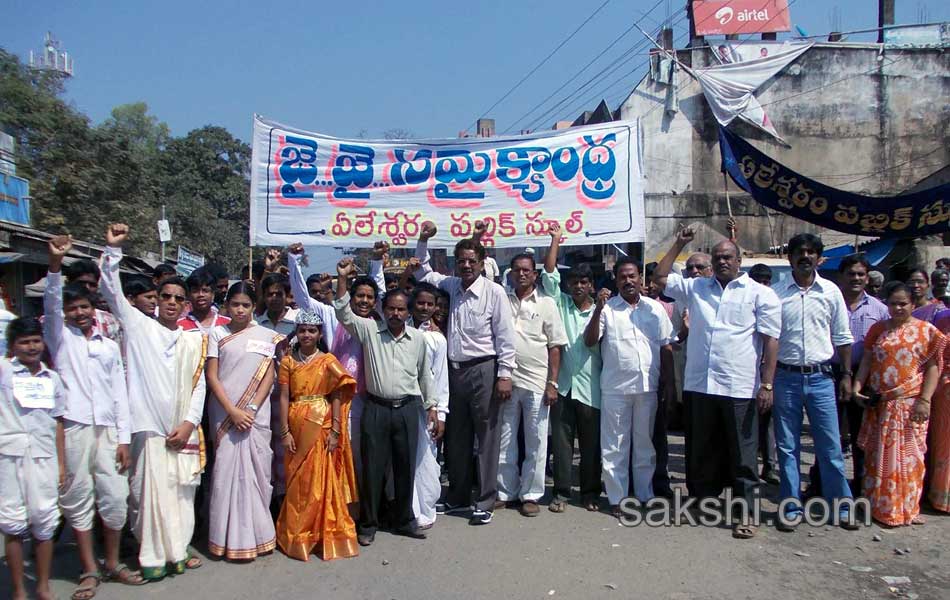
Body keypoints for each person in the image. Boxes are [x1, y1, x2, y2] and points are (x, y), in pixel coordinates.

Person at [655, 229, 781, 538]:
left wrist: (767, 385)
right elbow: (659, 279)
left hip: (738, 386)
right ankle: (700, 504)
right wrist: (680, 244)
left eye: (727, 257)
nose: (722, 261)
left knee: (743, 454)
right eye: (717, 257)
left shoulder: (759, 293)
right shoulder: (697, 287)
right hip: (699, 384)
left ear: (740, 261)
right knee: (699, 451)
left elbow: (771, 340)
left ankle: (746, 514)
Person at [99, 223, 208, 580]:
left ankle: (178, 552)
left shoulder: (194, 340)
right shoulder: (139, 326)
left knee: (180, 496)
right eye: (166, 297)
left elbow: (199, 386)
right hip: (149, 429)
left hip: (183, 429)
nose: (173, 303)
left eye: (179, 299)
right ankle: (153, 557)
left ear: (186, 304)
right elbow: (111, 293)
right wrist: (113, 251)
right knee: (148, 497)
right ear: (156, 300)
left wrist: (190, 423)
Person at [44, 236, 142, 598]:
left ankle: (113, 562)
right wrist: (55, 265)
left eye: (85, 307)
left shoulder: (106, 344)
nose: (80, 313)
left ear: (93, 308)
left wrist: (123, 439)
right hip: (73, 429)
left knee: (115, 499)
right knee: (78, 498)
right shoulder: (59, 337)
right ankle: (89, 569)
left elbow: (120, 393)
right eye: (74, 309)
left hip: (109, 432)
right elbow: (52, 304)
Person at [413, 222, 517, 525]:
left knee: (487, 438)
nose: (467, 265)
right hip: (453, 372)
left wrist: (505, 374)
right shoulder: (450, 286)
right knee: (457, 437)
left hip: (485, 369)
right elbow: (423, 272)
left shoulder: (495, 292)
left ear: (482, 263)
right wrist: (422, 240)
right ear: (456, 264)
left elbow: (505, 336)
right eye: (462, 261)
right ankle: (458, 496)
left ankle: (485, 500)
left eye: (473, 260)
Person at [334, 258, 434, 545]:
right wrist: (342, 278)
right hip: (375, 408)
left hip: (407, 409)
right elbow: (343, 312)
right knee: (373, 468)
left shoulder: (418, 338)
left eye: (401, 309)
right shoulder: (369, 330)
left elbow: (424, 375)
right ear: (383, 308)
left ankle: (404, 521)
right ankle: (368, 524)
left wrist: (433, 408)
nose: (395, 313)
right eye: (390, 308)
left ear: (408, 311)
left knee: (405, 468)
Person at [772, 233, 858, 531]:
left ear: (818, 258)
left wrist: (846, 375)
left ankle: (841, 507)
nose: (805, 256)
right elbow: (768, 340)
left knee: (831, 446)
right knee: (787, 446)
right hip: (785, 378)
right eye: (799, 252)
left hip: (822, 379)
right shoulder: (777, 293)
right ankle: (791, 506)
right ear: (790, 258)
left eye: (810, 252)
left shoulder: (831, 292)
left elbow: (843, 337)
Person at [584, 257, 674, 515]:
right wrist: (598, 309)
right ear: (616, 280)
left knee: (644, 444)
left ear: (640, 279)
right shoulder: (608, 309)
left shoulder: (654, 309)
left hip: (648, 388)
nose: (628, 281)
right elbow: (590, 340)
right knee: (615, 446)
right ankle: (617, 498)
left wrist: (669, 384)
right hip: (615, 389)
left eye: (632, 276)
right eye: (622, 277)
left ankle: (644, 495)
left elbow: (666, 345)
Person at [853, 283, 944, 526]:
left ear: (913, 304)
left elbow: (934, 368)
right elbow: (867, 361)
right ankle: (880, 508)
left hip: (911, 405)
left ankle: (907, 509)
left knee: (910, 458)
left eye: (903, 303)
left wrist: (924, 400)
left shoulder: (927, 332)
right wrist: (857, 387)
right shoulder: (878, 330)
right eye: (893, 303)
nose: (898, 308)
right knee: (878, 456)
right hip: (880, 406)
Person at [204, 282, 283, 560]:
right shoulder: (217, 334)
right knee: (226, 475)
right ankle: (225, 540)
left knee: (258, 475)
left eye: (245, 305)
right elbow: (212, 376)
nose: (239, 310)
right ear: (226, 305)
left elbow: (269, 375)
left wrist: (249, 408)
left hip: (255, 416)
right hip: (225, 414)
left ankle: (259, 537)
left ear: (253, 307)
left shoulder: (266, 336)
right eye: (235, 304)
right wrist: (232, 411)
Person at [275, 310, 359, 561]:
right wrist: (284, 431)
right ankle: (299, 535)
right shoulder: (289, 361)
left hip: (320, 423)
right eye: (302, 330)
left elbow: (337, 393)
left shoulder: (327, 360)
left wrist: (335, 429)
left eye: (312, 331)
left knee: (320, 481)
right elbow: (282, 396)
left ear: (320, 333)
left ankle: (322, 534)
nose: (306, 335)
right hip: (296, 421)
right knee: (298, 481)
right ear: (296, 332)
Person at [805, 254, 889, 498]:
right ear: (841, 276)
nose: (856, 278)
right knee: (826, 433)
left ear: (867, 277)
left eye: (860, 274)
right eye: (851, 274)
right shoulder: (828, 301)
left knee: (860, 435)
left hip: (863, 378)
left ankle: (861, 487)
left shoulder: (880, 310)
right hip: (829, 375)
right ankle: (819, 484)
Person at [1, 318, 66, 600]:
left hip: (44, 456)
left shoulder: (52, 379)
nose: (31, 347)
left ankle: (42, 586)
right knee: (13, 522)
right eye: (24, 342)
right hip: (9, 455)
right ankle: (18, 590)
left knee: (45, 520)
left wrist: (62, 464)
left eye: (36, 341)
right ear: (13, 345)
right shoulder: (3, 371)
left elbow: (59, 422)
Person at [497, 252, 566, 517]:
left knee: (536, 441)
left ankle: (531, 494)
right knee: (506, 439)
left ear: (535, 274)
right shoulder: (502, 300)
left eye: (526, 270)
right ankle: (505, 492)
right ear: (511, 273)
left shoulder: (547, 303)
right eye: (517, 270)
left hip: (537, 383)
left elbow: (555, 347)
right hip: (507, 381)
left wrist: (552, 383)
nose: (522, 274)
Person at [541, 224, 603, 513]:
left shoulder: (605, 310)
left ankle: (590, 493)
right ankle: (562, 494)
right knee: (563, 445)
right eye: (574, 282)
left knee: (591, 446)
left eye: (583, 282)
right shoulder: (560, 305)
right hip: (563, 385)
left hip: (592, 388)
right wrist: (555, 240)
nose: (578, 286)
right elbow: (550, 273)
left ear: (591, 285)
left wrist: (600, 308)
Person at [407, 282, 448, 530]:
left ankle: (425, 509)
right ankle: (405, 509)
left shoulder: (436, 338)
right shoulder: (397, 330)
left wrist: (441, 413)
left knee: (426, 458)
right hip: (400, 402)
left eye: (429, 304)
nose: (424, 308)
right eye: (420, 302)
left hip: (427, 406)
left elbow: (441, 379)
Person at [64, 258, 123, 344]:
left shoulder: (109, 321)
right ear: (68, 283)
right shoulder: (53, 321)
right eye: (81, 283)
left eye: (92, 285)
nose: (87, 288)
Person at [930, 309, 950, 513]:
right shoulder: (942, 319)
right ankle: (941, 495)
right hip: (945, 391)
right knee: (945, 443)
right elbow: (934, 358)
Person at [180, 267, 231, 334]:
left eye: (205, 291)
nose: (201, 295)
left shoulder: (228, 323)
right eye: (195, 291)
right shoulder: (179, 326)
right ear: (189, 295)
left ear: (213, 294)